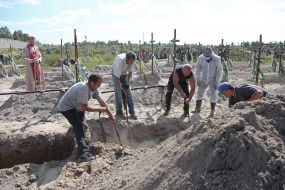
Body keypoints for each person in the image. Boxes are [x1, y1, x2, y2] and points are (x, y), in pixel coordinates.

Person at [57, 74, 116, 161]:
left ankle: (81, 141)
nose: (99, 86)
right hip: (67, 108)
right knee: (79, 126)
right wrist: (99, 109)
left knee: (82, 125)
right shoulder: (83, 88)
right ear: (92, 82)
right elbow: (85, 107)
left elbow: (102, 103)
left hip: (77, 107)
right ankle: (83, 153)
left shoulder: (94, 89)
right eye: (98, 84)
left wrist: (111, 116)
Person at [192, 46, 223, 117]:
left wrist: (217, 82)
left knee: (214, 94)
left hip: (213, 80)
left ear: (211, 54)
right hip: (203, 79)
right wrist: (198, 79)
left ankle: (212, 111)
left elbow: (219, 72)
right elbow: (198, 69)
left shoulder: (217, 59)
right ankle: (197, 108)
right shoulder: (200, 58)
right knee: (200, 93)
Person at [112, 52, 137, 119]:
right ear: (127, 59)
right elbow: (117, 78)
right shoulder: (120, 61)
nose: (132, 63)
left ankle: (132, 111)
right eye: (131, 62)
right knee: (118, 94)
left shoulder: (132, 61)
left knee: (129, 93)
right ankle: (119, 113)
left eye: (133, 62)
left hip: (124, 74)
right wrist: (121, 89)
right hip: (116, 74)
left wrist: (127, 84)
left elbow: (130, 73)